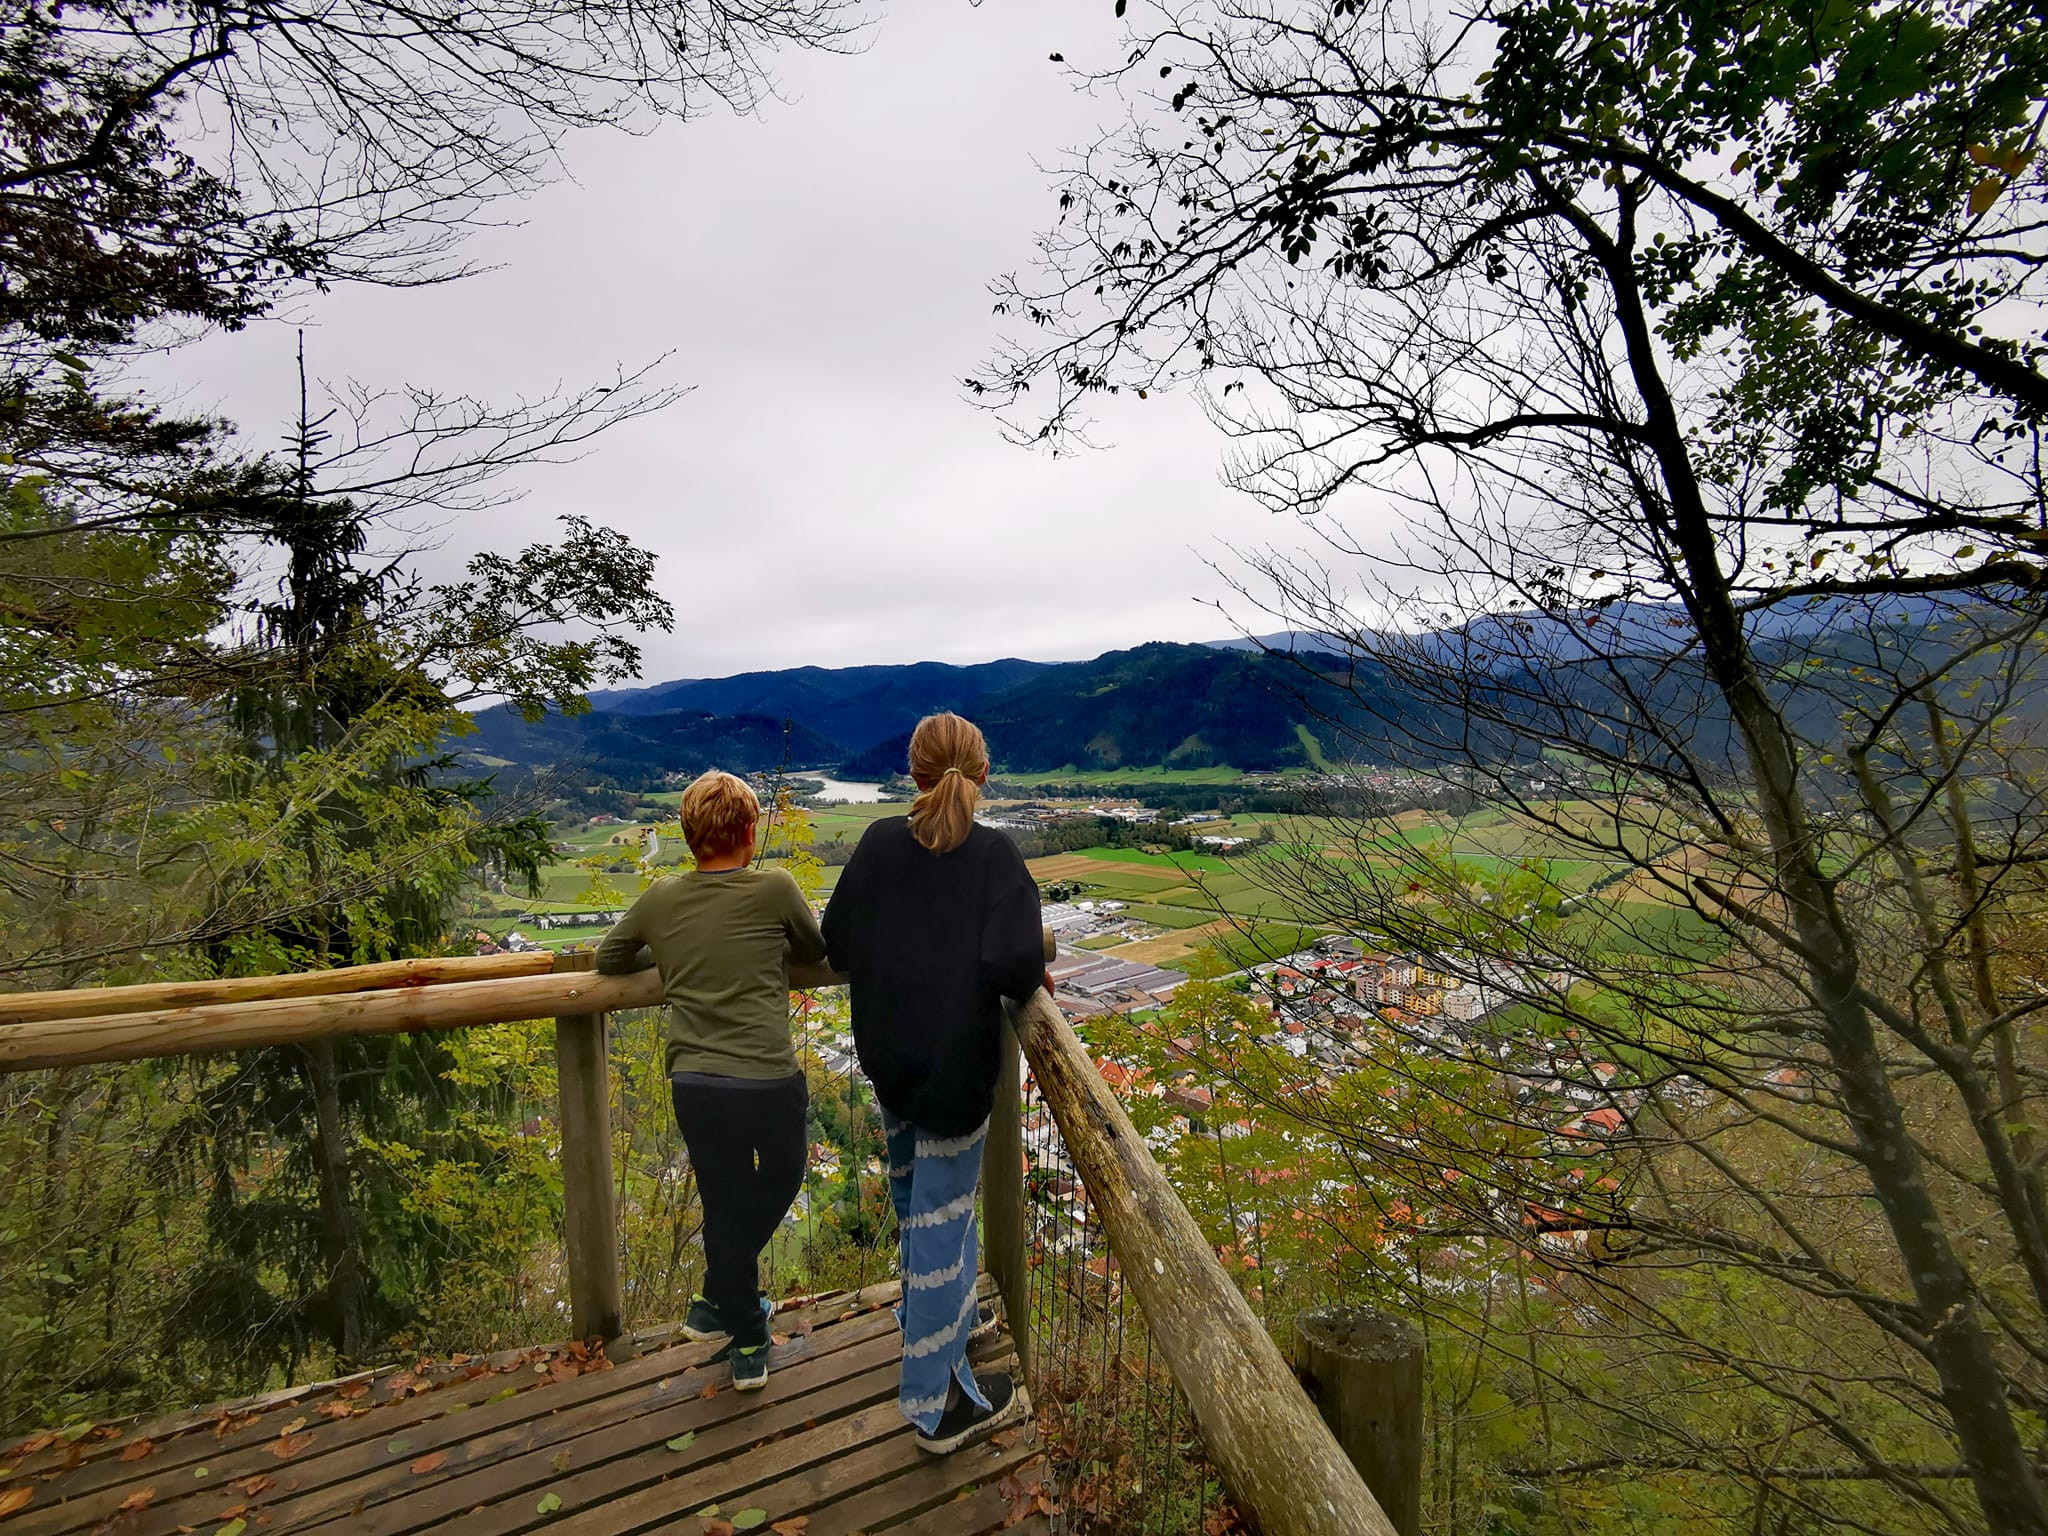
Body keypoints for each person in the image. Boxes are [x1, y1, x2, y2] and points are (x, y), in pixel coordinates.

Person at [822, 713, 1046, 1454]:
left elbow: (837, 940)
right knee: (941, 1224)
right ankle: (935, 1405)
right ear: (981, 775)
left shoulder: (882, 843)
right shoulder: (993, 857)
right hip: (954, 1073)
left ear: (913, 773)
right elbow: (1014, 967)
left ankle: (941, 1315)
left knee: (918, 1205)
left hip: (890, 1064)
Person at [595, 769, 825, 1391]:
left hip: (694, 1080)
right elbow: (814, 951)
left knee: (723, 1199)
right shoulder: (775, 887)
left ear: (688, 835)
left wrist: (671, 953)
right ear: (751, 832)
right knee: (781, 1175)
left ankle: (733, 1320)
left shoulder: (663, 898)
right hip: (767, 1077)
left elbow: (608, 960)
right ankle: (731, 1309)